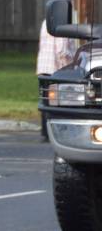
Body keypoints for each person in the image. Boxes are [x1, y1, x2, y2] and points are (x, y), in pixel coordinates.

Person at [36, 11, 77, 140]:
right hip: (56, 68)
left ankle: (45, 132)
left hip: (43, 66)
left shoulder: (45, 22)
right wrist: (72, 64)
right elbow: (62, 50)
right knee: (60, 102)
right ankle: (58, 132)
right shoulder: (62, 25)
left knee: (45, 101)